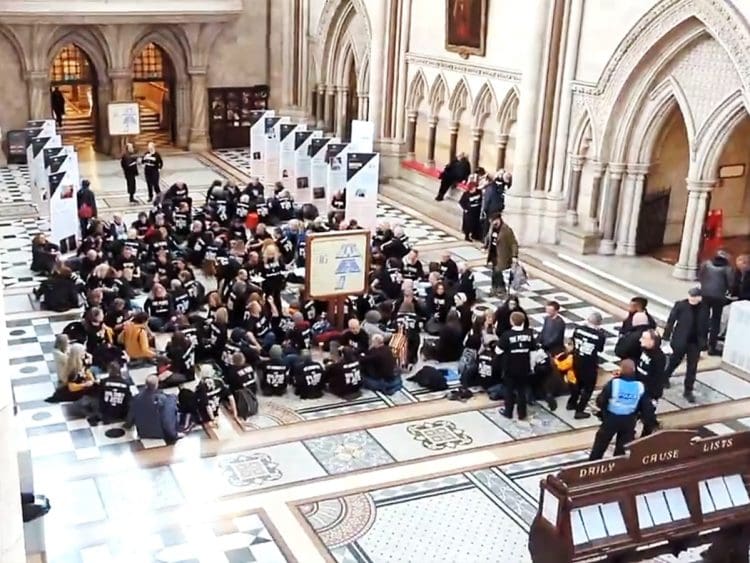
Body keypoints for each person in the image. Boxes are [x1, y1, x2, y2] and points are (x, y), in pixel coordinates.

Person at [588, 360, 657, 460]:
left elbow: (601, 400)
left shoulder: (614, 383)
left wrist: (604, 412)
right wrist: (647, 423)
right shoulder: (640, 387)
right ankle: (618, 467)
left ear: (621, 370)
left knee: (601, 443)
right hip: (628, 420)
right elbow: (646, 407)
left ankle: (593, 464)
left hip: (611, 419)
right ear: (634, 370)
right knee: (622, 447)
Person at [663, 287, 710, 403]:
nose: (692, 299)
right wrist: (666, 337)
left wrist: (704, 343)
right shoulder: (680, 305)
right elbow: (671, 321)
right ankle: (665, 377)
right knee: (674, 361)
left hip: (695, 342)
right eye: (691, 296)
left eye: (695, 297)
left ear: (699, 298)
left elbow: (705, 326)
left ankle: (688, 390)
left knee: (692, 367)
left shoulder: (704, 308)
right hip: (680, 339)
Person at [498, 311, 536, 420]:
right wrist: (531, 366)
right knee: (521, 391)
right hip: (524, 367)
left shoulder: (506, 335)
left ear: (511, 321)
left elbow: (498, 350)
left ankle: (508, 412)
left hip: (510, 367)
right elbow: (533, 352)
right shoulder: (529, 334)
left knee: (509, 390)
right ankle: (522, 413)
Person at [569, 312, 606, 418]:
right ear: (599, 323)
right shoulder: (600, 335)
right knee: (589, 387)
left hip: (577, 359)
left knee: (578, 382)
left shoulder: (578, 329)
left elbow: (573, 340)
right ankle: (579, 410)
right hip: (589, 363)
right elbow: (600, 349)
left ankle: (571, 403)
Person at [698, 250, 734, 355]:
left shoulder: (706, 264)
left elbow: (700, 276)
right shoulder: (727, 269)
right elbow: (730, 283)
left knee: (704, 318)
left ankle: (702, 343)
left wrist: (704, 286)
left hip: (705, 293)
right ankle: (711, 347)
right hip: (719, 297)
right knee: (715, 321)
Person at [127, 375, 181, 443]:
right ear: (157, 385)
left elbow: (131, 416)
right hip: (159, 434)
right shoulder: (164, 400)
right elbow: (167, 420)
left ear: (146, 384)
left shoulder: (136, 398)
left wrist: (128, 424)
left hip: (143, 433)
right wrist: (174, 435)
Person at [488, 216, 518, 297]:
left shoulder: (506, 230)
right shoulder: (493, 228)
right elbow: (490, 238)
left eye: (494, 221)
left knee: (497, 271)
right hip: (493, 254)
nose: (492, 223)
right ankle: (495, 288)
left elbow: (513, 243)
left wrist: (514, 255)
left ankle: (500, 289)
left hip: (502, 255)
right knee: (495, 272)